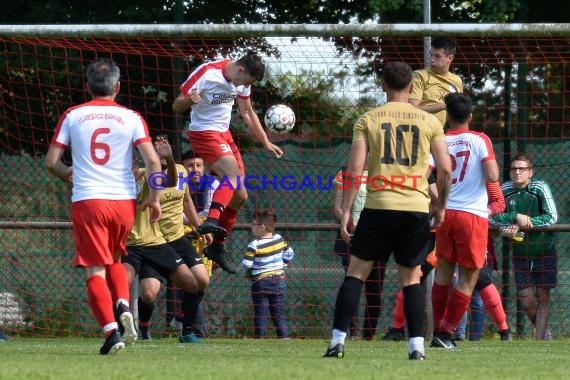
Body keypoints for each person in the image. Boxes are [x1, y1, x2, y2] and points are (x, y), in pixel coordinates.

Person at [323, 61, 452, 361]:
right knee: (411, 279)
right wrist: (441, 205)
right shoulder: (430, 122)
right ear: (411, 87)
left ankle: (337, 343)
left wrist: (345, 211)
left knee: (356, 273)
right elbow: (445, 169)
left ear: (383, 85)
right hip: (415, 209)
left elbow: (355, 168)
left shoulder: (368, 118)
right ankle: (417, 347)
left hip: (378, 207)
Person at [44, 58, 162, 355]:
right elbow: (152, 161)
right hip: (123, 202)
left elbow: (51, 162)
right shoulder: (133, 117)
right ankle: (122, 302)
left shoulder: (73, 115)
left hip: (89, 200)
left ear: (87, 86)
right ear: (118, 87)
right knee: (115, 258)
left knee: (94, 271)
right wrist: (154, 198)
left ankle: (111, 333)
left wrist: (68, 173)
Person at [172, 51, 283, 274]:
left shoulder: (242, 84)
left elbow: (248, 112)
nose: (242, 86)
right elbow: (176, 106)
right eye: (245, 81)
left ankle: (216, 248)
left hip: (224, 135)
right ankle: (211, 221)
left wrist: (265, 142)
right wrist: (188, 100)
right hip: (203, 133)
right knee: (231, 177)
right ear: (240, 70)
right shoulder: (207, 73)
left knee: (240, 196)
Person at [430, 93, 500, 349]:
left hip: (446, 214)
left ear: (448, 116)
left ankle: (436, 329)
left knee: (443, 275)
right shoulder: (480, 139)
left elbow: (427, 176)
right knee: (469, 279)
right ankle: (446, 334)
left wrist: (438, 202)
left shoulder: (439, 140)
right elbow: (492, 176)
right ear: (470, 116)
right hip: (472, 216)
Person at [122, 137, 208, 343]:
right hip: (130, 245)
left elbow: (172, 183)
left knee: (194, 282)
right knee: (140, 292)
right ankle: (121, 329)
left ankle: (187, 330)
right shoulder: (119, 183)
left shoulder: (156, 176)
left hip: (158, 242)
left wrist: (169, 157)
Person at [490, 153, 558, 340]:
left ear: (530, 172)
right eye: (514, 169)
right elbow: (492, 217)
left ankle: (540, 339)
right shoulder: (504, 189)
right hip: (520, 253)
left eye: (522, 169)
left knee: (543, 297)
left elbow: (553, 217)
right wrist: (513, 218)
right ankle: (545, 333)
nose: (517, 172)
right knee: (527, 301)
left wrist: (528, 222)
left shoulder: (540, 187)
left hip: (545, 251)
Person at [453, 182, 511, 341]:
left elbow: (499, 203)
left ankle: (503, 330)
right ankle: (451, 332)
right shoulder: (444, 176)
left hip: (470, 231)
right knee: (445, 283)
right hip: (445, 230)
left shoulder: (484, 176)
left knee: (479, 284)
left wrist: (481, 215)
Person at [333, 164, 385, 340]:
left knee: (375, 289)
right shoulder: (345, 172)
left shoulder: (384, 171)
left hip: (378, 237)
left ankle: (368, 335)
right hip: (351, 237)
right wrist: (348, 222)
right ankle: (351, 333)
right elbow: (338, 209)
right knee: (352, 284)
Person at [241, 209, 295, 338]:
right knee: (279, 313)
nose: (251, 227)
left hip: (260, 282)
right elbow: (290, 253)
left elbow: (247, 264)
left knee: (260, 313)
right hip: (278, 281)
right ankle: (284, 337)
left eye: (253, 224)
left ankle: (260, 338)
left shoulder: (254, 245)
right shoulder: (279, 239)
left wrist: (243, 263)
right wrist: (283, 264)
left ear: (261, 227)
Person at [408, 36, 463, 127]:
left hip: (444, 135)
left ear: (450, 58)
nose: (432, 59)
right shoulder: (419, 76)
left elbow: (457, 114)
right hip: (420, 131)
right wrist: (441, 106)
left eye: (437, 56)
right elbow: (412, 110)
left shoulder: (457, 81)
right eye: (431, 55)